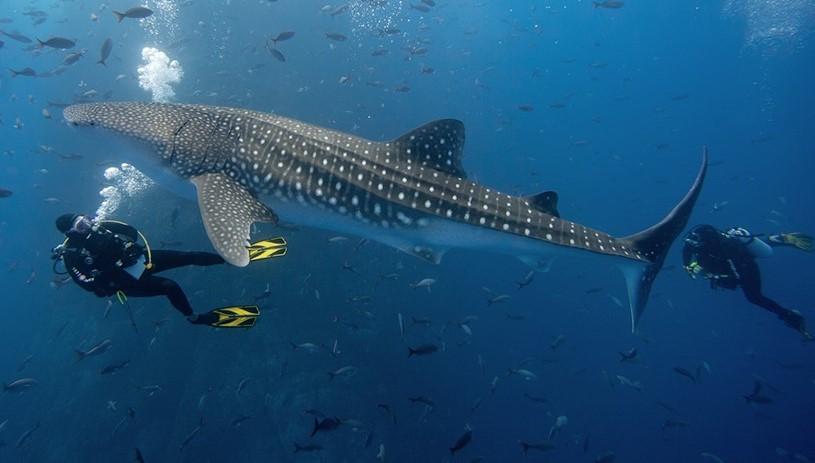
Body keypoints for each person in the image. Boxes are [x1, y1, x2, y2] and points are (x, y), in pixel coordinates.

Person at [52, 213, 287, 328]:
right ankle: (195, 318)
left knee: (189, 256)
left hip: (140, 261)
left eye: (85, 220)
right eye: (81, 226)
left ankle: (234, 258)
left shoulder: (101, 227)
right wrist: (112, 270)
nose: (88, 225)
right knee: (169, 287)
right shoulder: (72, 255)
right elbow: (92, 287)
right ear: (71, 233)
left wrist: (131, 247)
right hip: (125, 282)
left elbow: (131, 231)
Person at [682, 224, 813, 338]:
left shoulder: (726, 251)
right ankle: (777, 239)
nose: (694, 247)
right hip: (733, 255)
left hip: (745, 266)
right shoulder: (698, 242)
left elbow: (736, 278)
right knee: (746, 250)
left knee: (754, 297)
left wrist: (717, 278)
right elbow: (687, 249)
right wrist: (686, 265)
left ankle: (788, 316)